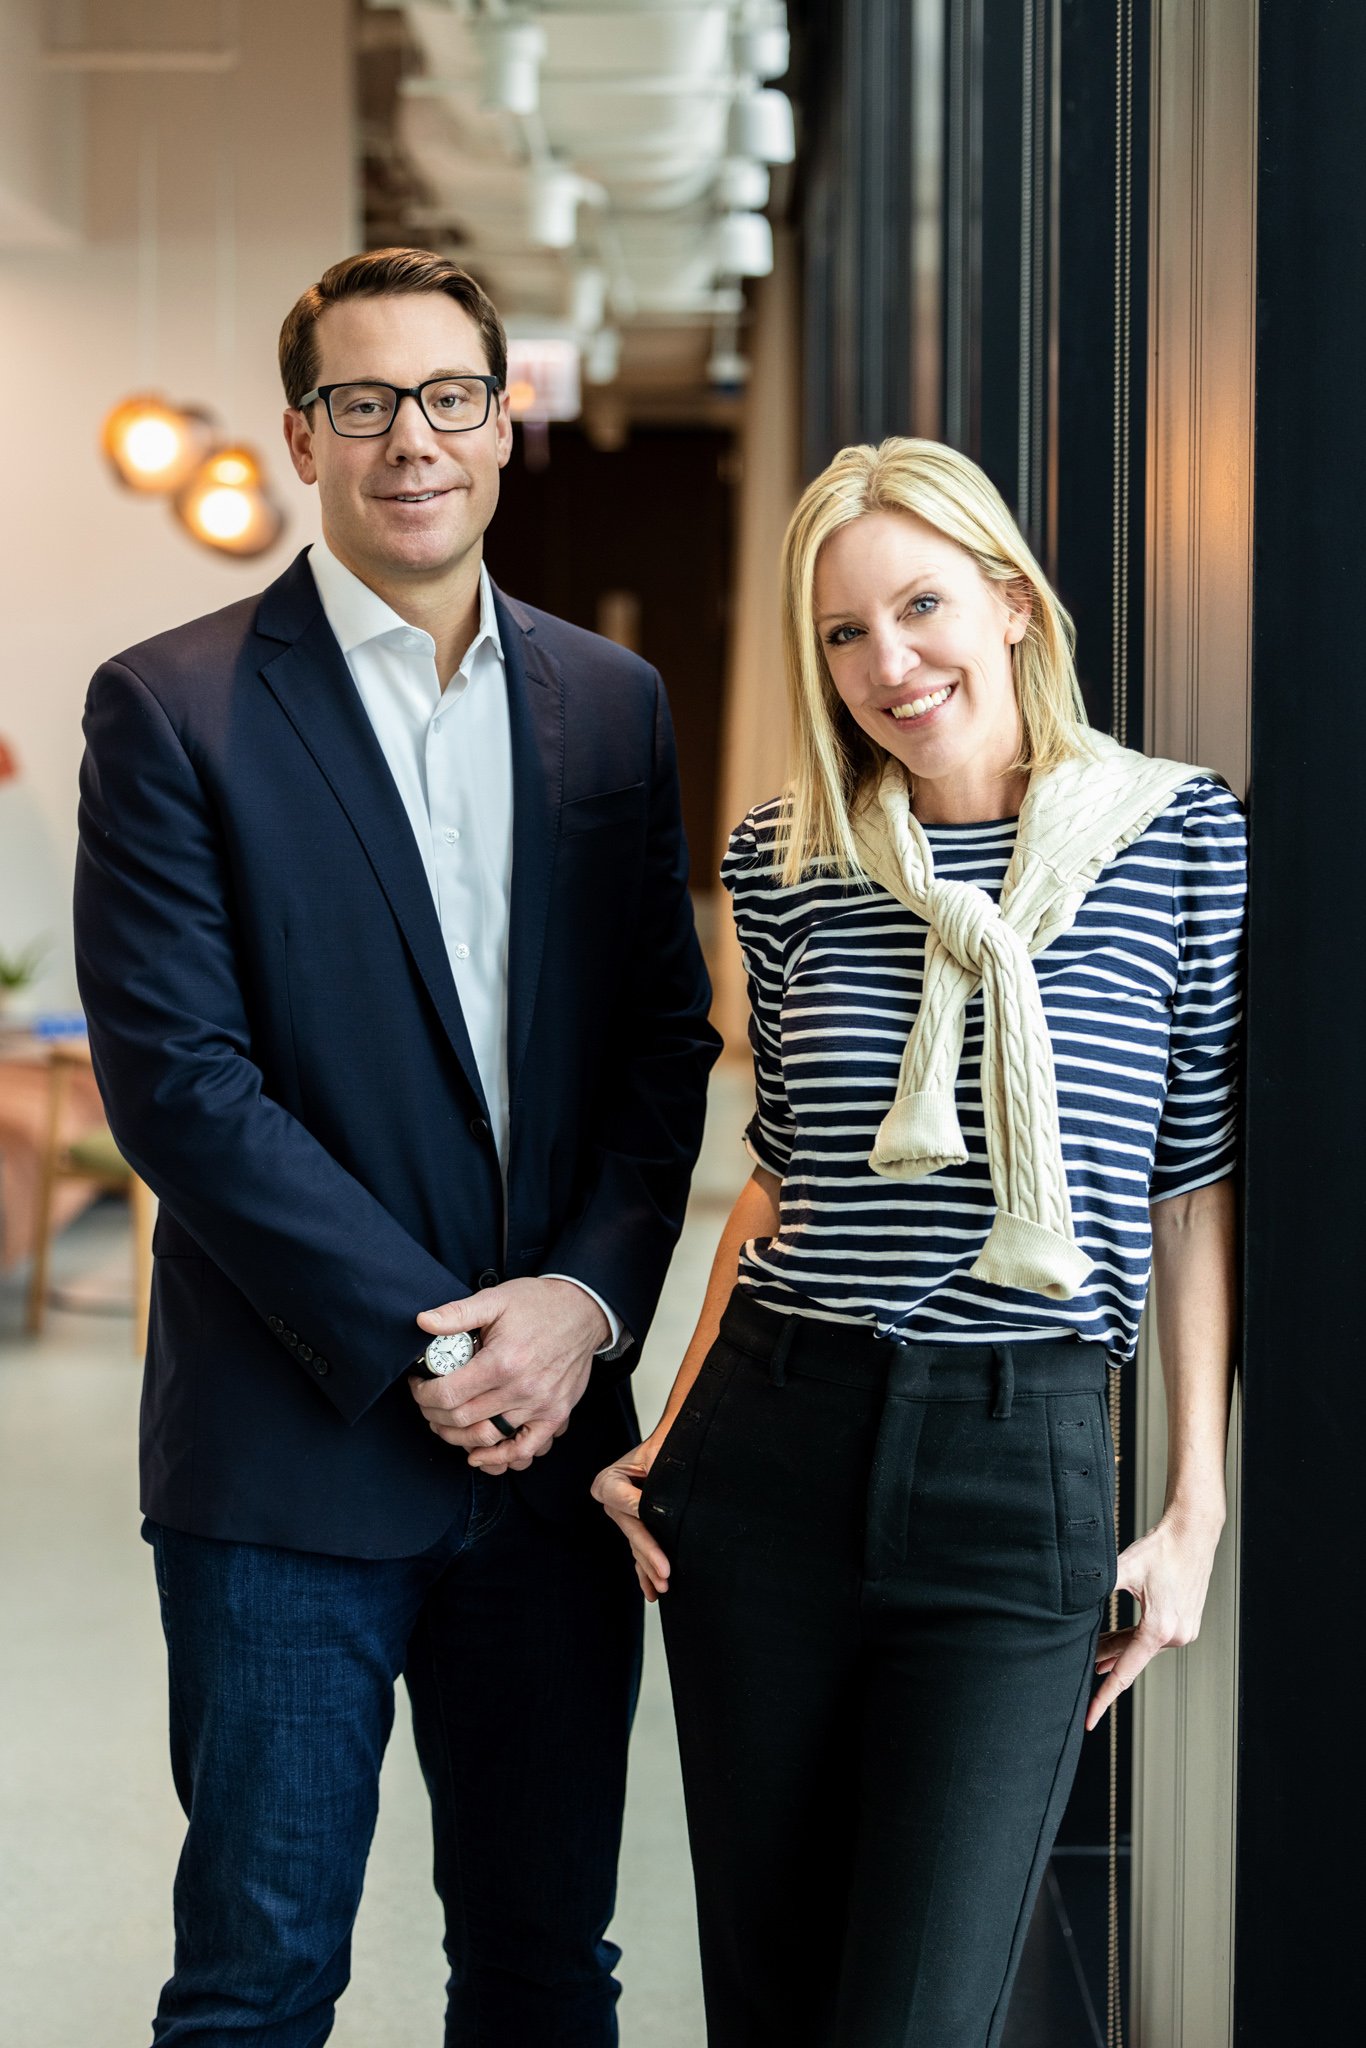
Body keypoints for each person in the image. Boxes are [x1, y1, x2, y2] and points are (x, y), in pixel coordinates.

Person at [74, 247, 720, 2048]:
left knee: (541, 1971)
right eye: (361, 403)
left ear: (502, 422)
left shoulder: (611, 703)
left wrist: (584, 1305)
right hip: (292, 1460)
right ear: (302, 436)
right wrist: (444, 1341)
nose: (409, 440)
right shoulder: (175, 705)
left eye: (447, 396)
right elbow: (182, 1088)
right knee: (260, 1983)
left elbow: (663, 1049)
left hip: (555, 1470)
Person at [595, 437, 1244, 2047]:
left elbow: (1188, 1188)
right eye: (841, 632)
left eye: (922, 604)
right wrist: (663, 1438)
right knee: (770, 2000)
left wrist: (1192, 1507)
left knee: (918, 2017)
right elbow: (778, 1183)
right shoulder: (784, 858)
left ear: (1012, 602)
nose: (887, 662)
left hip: (1018, 1462)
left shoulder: (1177, 838)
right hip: (772, 1449)